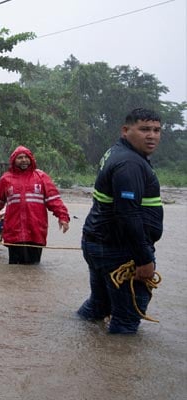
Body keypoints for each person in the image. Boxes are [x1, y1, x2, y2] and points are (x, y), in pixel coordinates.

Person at [77, 108, 163, 334]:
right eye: (144, 129)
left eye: (156, 130)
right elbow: (128, 214)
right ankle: (116, 366)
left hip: (99, 242)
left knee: (99, 306)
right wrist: (144, 259)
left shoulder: (118, 153)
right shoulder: (130, 164)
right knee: (126, 319)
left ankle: (77, 345)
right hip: (118, 250)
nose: (152, 135)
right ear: (126, 130)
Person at [0, 145, 70, 265]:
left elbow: (54, 200)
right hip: (14, 232)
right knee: (15, 269)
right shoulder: (6, 179)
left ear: (31, 159)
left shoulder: (41, 177)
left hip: (36, 231)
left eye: (26, 157)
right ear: (14, 160)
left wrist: (63, 217)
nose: (23, 160)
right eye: (20, 157)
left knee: (33, 267)